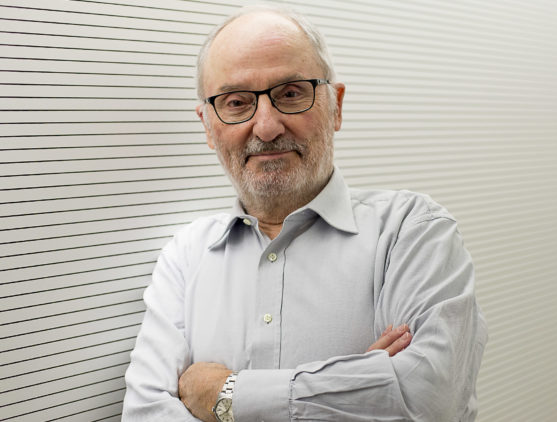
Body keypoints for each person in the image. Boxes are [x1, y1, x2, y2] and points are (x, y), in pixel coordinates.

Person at [122, 4, 487, 421]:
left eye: (291, 94)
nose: (266, 127)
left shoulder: (411, 232)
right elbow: (144, 413)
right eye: (236, 102)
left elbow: (430, 400)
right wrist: (359, 386)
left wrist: (224, 395)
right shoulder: (186, 257)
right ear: (207, 125)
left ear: (336, 107)